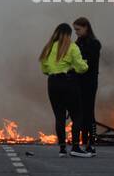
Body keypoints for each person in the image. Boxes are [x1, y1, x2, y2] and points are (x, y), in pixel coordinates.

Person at [38, 22, 90, 157]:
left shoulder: (48, 48)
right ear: (68, 35)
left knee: (59, 117)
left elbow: (44, 69)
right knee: (77, 115)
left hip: (53, 83)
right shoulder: (72, 47)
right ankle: (75, 147)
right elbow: (82, 68)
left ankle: (62, 149)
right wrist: (84, 64)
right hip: (68, 83)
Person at [72, 17, 101, 157]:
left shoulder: (94, 44)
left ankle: (92, 142)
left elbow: (89, 62)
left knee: (89, 112)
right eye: (75, 30)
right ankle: (83, 140)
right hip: (78, 82)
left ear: (86, 28)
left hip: (89, 82)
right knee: (79, 112)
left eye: (78, 29)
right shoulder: (77, 44)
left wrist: (79, 61)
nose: (76, 32)